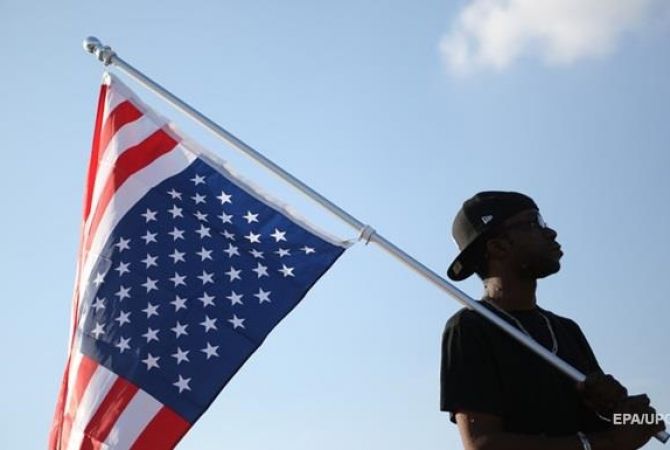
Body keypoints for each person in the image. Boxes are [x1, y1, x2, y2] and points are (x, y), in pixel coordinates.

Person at [441, 191, 665, 450]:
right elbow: (483, 444)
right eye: (534, 223)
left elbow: (600, 431)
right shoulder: (470, 328)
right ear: (498, 247)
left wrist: (617, 414)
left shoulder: (566, 330)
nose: (550, 232)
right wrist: (608, 442)